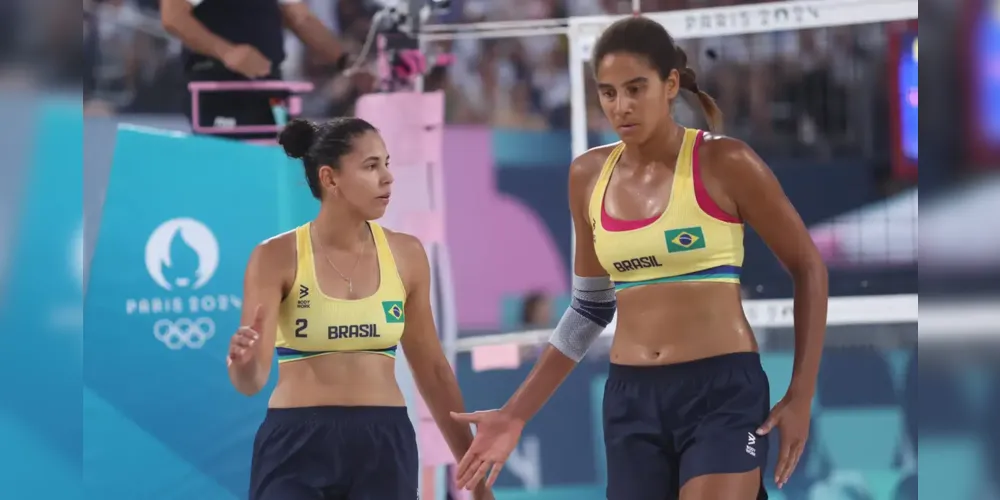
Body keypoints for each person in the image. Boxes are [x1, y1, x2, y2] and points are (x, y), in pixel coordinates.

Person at [451, 16, 828, 500]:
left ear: (670, 84)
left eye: (635, 89)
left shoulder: (725, 162)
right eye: (608, 93)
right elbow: (589, 308)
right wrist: (515, 413)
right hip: (632, 399)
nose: (621, 106)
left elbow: (809, 267)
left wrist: (802, 391)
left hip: (722, 392)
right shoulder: (588, 175)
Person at [227, 117, 492, 500]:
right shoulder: (275, 256)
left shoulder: (407, 254)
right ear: (330, 179)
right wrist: (242, 361)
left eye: (386, 163)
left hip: (383, 443)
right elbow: (250, 381)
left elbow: (434, 373)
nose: (387, 177)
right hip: (296, 445)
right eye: (371, 166)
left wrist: (477, 482)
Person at [160, 0, 348, 139]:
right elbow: (173, 16)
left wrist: (348, 62)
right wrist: (226, 52)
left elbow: (301, 18)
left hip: (270, 87)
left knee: (278, 160)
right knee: (228, 166)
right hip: (218, 88)